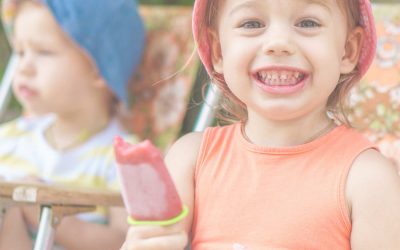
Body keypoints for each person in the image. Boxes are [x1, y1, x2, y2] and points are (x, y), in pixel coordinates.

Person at [120, 0, 400, 249]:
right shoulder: (190, 161)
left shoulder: (367, 179)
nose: (278, 42)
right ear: (218, 52)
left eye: (308, 22)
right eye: (252, 23)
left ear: (348, 51)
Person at [0, 0, 145, 249]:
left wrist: (46, 213)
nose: (23, 67)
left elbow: (127, 242)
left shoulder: (126, 159)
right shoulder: (8, 139)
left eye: (43, 52)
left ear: (98, 69)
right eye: (20, 52)